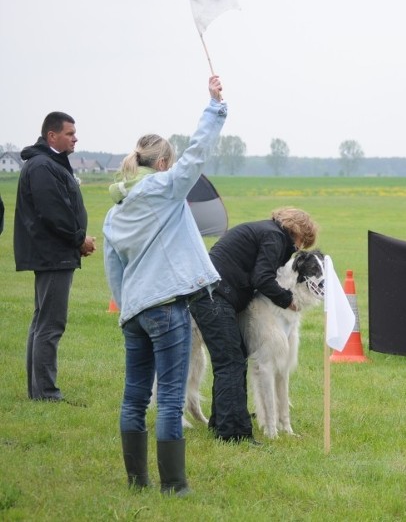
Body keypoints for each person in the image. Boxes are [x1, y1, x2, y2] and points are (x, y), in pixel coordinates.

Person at [102, 75, 227, 495]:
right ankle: (174, 485)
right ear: (160, 165)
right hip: (168, 307)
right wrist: (214, 107)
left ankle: (137, 482)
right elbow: (197, 156)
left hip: (135, 312)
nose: (173, 169)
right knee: (171, 398)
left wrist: (126, 308)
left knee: (134, 397)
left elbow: (114, 270)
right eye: (169, 164)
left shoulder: (115, 211)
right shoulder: (164, 188)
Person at [189, 207, 318, 445]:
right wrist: (286, 300)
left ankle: (221, 422)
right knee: (231, 361)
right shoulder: (275, 237)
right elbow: (262, 277)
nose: (300, 248)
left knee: (231, 358)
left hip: (209, 292)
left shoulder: (266, 231)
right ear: (297, 231)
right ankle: (233, 433)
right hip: (214, 296)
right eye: (303, 241)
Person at [14, 111, 97, 402]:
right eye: (70, 133)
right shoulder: (41, 167)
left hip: (55, 254)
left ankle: (38, 391)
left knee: (42, 323)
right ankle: (46, 393)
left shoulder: (51, 164)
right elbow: (54, 214)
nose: (75, 138)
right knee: (50, 324)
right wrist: (79, 240)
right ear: (52, 136)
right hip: (52, 256)